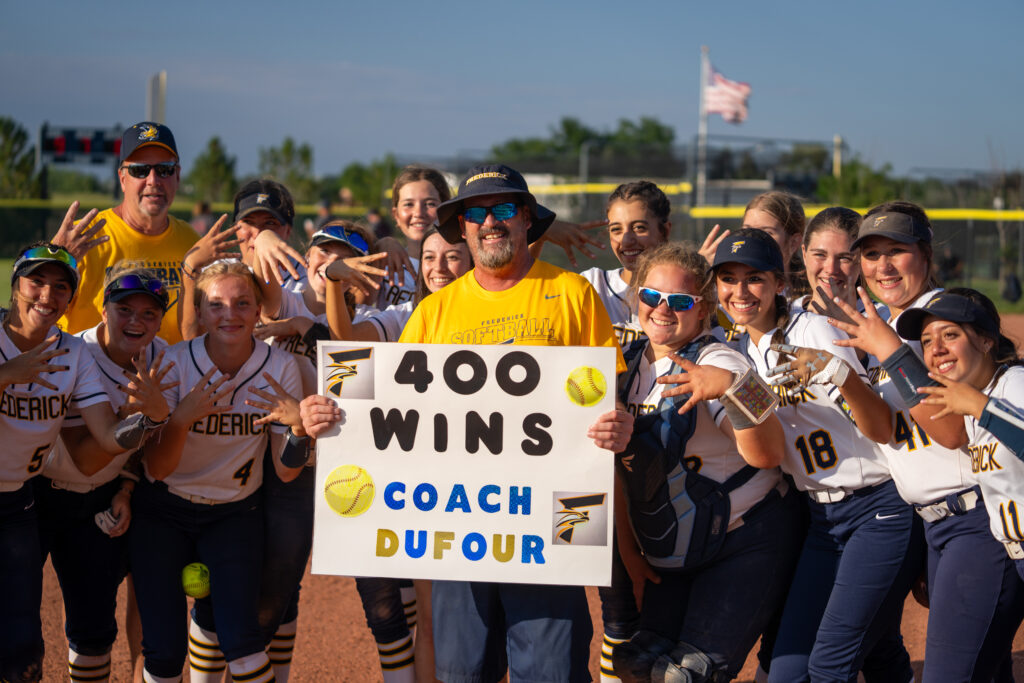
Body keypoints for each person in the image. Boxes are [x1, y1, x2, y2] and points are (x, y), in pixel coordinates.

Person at [301, 163, 633, 683]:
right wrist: (329, 413)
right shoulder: (436, 312)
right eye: (475, 213)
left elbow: (605, 402)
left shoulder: (573, 294)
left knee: (550, 673)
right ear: (461, 228)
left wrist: (618, 426)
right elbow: (390, 409)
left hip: (546, 528)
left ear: (526, 219)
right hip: (460, 530)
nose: (489, 223)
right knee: (460, 672)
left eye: (503, 209)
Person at [823, 201, 1024, 682]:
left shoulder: (935, 325)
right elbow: (888, 435)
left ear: (926, 254)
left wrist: (893, 353)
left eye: (897, 250)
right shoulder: (887, 327)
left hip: (977, 517)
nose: (882, 266)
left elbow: (952, 432)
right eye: (870, 254)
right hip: (937, 524)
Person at [705, 229, 915, 681]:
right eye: (728, 278)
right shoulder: (737, 351)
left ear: (780, 283)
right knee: (790, 669)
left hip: (877, 507)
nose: (740, 291)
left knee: (830, 667)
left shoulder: (812, 326)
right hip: (821, 522)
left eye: (754, 278)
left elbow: (878, 425)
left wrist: (836, 370)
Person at [610, 242, 800, 682]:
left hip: (744, 540)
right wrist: (630, 552)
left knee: (688, 675)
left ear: (703, 309)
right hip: (677, 543)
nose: (661, 309)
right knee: (637, 663)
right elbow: (622, 476)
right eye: (651, 296)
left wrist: (733, 386)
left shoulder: (717, 358)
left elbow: (768, 453)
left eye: (679, 301)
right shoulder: (630, 365)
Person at [0, 243, 170, 683]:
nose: (47, 295)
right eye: (36, 281)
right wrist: (6, 375)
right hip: (38, 495)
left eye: (60, 287)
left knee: (33, 645)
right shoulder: (78, 347)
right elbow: (82, 451)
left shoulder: (73, 356)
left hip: (25, 503)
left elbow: (106, 439)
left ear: (72, 299)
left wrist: (151, 417)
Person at [130, 260, 306, 683]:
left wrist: (298, 428)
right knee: (164, 651)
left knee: (243, 643)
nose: (230, 314)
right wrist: (181, 419)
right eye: (216, 304)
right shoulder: (174, 363)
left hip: (233, 514)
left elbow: (285, 472)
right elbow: (156, 466)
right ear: (201, 311)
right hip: (163, 512)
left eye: (243, 303)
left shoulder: (280, 368)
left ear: (259, 311)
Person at [906, 290, 1024, 583]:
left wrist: (978, 406)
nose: (936, 349)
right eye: (927, 341)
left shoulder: (1013, 385)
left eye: (950, 335)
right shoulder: (975, 398)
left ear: (986, 340)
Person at [55, 122, 198, 345]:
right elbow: (34, 308)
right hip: (90, 374)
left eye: (164, 170)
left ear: (177, 176)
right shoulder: (83, 237)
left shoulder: (191, 242)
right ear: (122, 179)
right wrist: (54, 258)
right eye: (139, 170)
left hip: (168, 376)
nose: (153, 180)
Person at [579, 181, 671, 351]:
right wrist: (542, 236)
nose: (626, 240)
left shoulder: (684, 293)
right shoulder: (592, 284)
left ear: (665, 231)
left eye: (639, 228)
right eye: (616, 229)